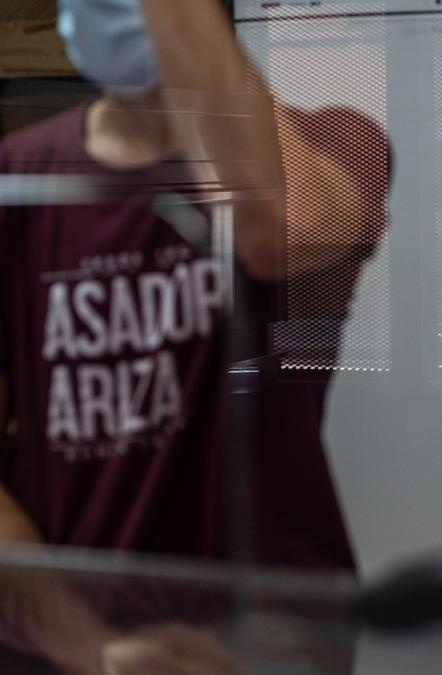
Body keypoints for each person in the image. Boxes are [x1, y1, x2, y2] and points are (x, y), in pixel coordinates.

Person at [0, 0, 387, 672]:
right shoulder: (20, 177)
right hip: (72, 645)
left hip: (275, 636)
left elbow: (278, 229)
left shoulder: (338, 141)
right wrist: (94, 649)